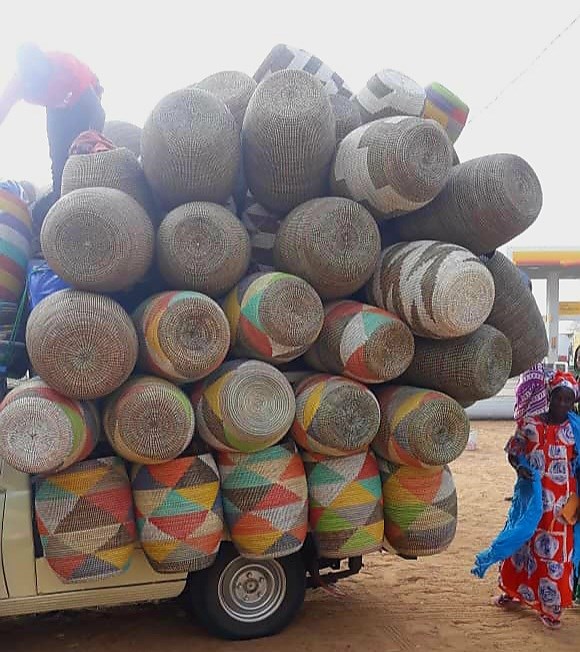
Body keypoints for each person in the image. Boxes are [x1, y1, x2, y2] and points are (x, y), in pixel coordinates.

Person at [493, 371, 579, 629]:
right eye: (558, 398)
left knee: (554, 555)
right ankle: (512, 590)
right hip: (529, 498)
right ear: (550, 397)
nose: (562, 404)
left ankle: (551, 609)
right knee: (521, 543)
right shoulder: (529, 424)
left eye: (568, 400)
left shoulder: (575, 430)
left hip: (561, 504)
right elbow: (513, 452)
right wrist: (519, 467)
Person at [0, 44, 105, 225]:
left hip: (83, 99)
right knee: (58, 160)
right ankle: (59, 210)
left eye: (41, 81)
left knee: (80, 151)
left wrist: (91, 139)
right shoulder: (20, 82)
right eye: (34, 85)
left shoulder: (66, 66)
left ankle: (88, 201)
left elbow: (97, 112)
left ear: (47, 68)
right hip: (56, 106)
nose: (38, 87)